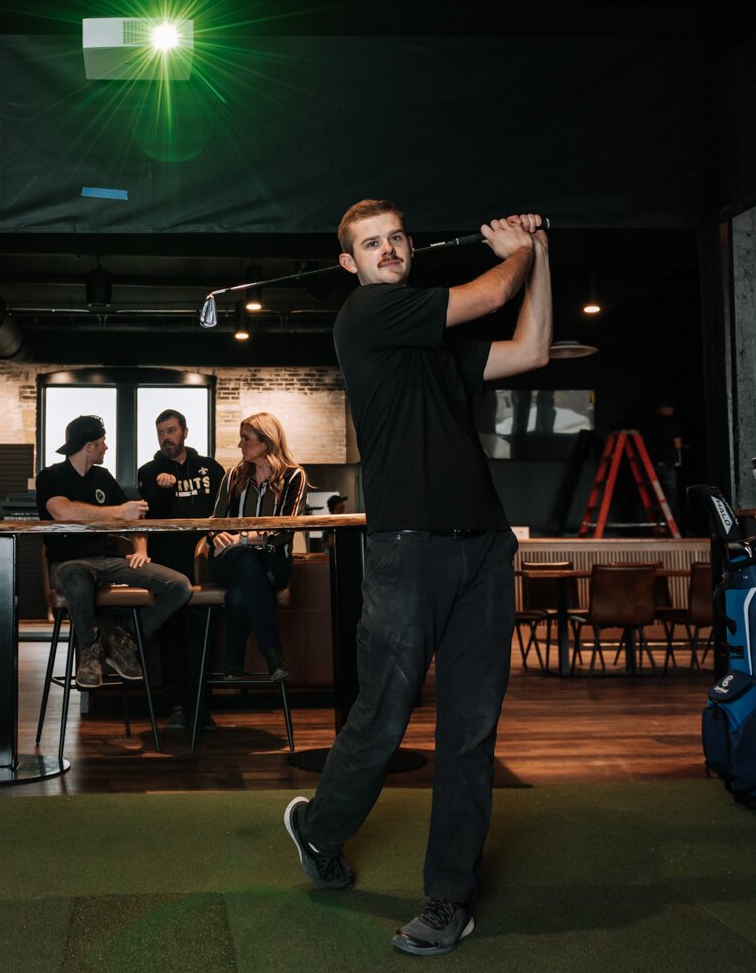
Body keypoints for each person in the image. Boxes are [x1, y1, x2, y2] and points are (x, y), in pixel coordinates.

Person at [282, 201, 551, 957]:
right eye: (372, 243)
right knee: (383, 716)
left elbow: (530, 348)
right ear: (352, 263)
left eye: (397, 236)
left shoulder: (434, 340)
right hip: (406, 551)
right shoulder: (366, 314)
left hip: (484, 549)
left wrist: (539, 249)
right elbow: (496, 293)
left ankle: (448, 897)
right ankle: (319, 827)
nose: (389, 249)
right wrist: (514, 255)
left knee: (470, 731)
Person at [36, 415, 192, 689]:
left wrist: (140, 550)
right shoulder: (51, 476)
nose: (106, 447)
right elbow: (62, 511)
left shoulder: (103, 477)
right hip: (70, 563)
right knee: (76, 577)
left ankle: (125, 640)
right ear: (89, 446)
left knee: (179, 586)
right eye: (103, 442)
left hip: (108, 561)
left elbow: (134, 518)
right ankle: (90, 651)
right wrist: (118, 512)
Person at [136, 408, 224, 732]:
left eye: (171, 431)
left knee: (203, 636)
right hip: (167, 567)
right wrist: (162, 488)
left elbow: (223, 511)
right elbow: (147, 513)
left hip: (203, 565)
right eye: (160, 432)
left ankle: (200, 706)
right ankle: (175, 705)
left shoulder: (211, 468)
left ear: (184, 431)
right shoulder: (148, 471)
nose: (166, 438)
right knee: (171, 637)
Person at [207, 412, 308, 682]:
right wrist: (215, 536)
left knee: (240, 592)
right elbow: (214, 523)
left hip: (274, 564)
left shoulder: (294, 476)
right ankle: (273, 654)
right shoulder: (234, 476)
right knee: (244, 559)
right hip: (227, 561)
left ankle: (233, 664)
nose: (240, 446)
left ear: (265, 442)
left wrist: (242, 538)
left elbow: (284, 532)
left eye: (246, 439)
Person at [638, 400, 684, 524]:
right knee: (670, 494)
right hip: (667, 463)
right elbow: (677, 444)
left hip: (648, 463)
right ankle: (667, 521)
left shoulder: (646, 422)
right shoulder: (673, 422)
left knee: (648, 493)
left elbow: (640, 442)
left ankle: (652, 522)